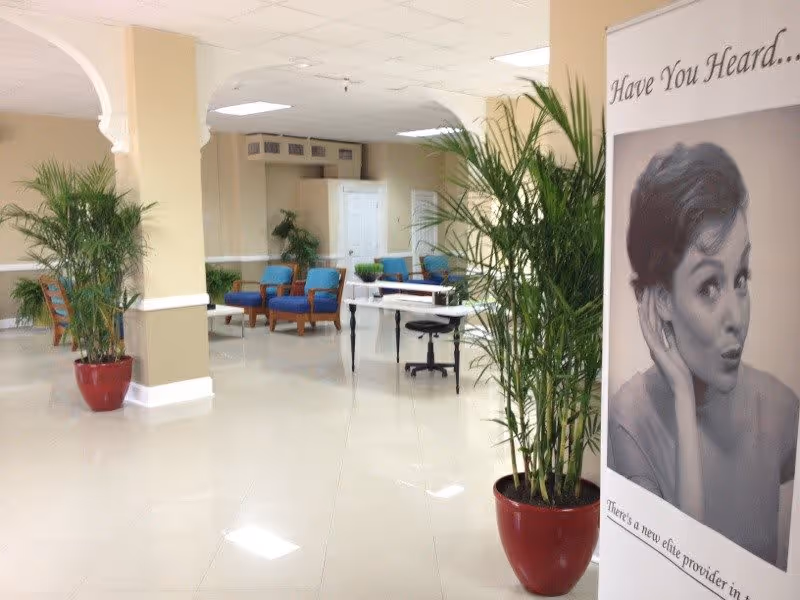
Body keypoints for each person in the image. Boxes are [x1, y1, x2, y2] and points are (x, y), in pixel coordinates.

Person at [609, 142, 799, 569]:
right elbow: (680, 566)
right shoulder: (631, 419)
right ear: (661, 300)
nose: (737, 317)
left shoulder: (782, 409)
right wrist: (681, 395)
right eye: (708, 287)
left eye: (741, 277)